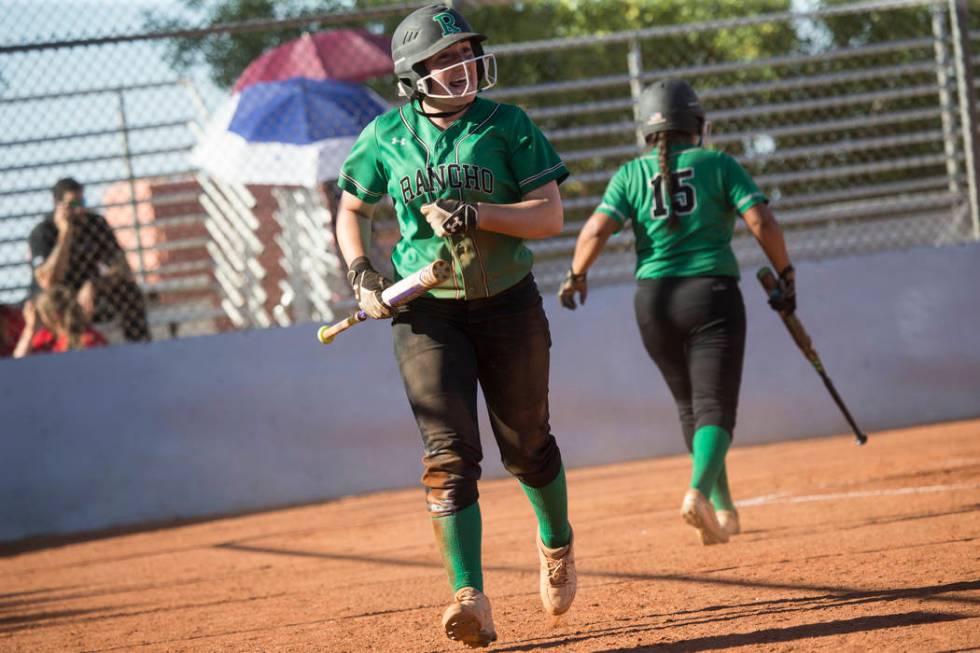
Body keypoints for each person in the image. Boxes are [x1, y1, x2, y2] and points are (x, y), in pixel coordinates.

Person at [334, 4, 576, 647]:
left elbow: (549, 217)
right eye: (446, 59)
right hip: (425, 309)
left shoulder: (508, 123)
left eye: (467, 52)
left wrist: (482, 214)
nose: (464, 65)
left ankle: (555, 543)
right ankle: (469, 597)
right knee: (448, 456)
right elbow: (350, 208)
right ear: (414, 75)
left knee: (527, 443)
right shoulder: (385, 135)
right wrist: (361, 274)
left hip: (507, 300)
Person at [558, 79, 796, 546]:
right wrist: (785, 272)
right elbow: (761, 220)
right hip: (710, 295)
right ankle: (698, 494)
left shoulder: (628, 175)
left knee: (691, 407)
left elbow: (594, 230)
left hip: (652, 303)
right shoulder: (718, 164)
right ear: (697, 125)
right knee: (715, 408)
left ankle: (724, 511)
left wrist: (575, 275)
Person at [29, 177, 150, 343]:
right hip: (59, 297)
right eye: (72, 205)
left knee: (129, 290)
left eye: (82, 202)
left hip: (91, 291)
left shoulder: (96, 224)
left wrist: (96, 284)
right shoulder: (42, 232)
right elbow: (47, 281)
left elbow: (123, 267)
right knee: (50, 301)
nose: (79, 209)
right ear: (58, 205)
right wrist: (65, 233)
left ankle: (139, 347)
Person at [13, 285, 108, 357]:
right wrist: (30, 328)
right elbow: (18, 362)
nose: (40, 319)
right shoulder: (45, 337)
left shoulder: (88, 338)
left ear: (54, 316)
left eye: (41, 314)